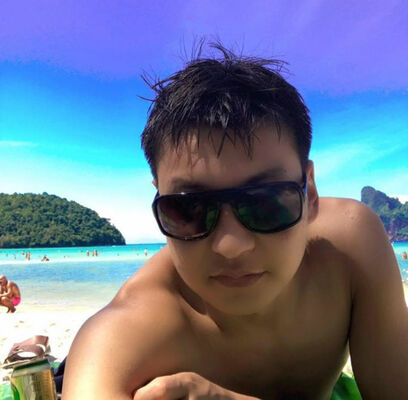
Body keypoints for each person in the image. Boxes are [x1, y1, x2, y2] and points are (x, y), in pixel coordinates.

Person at [62, 44, 408, 399]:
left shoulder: (351, 245)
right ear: (159, 198)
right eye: (190, 208)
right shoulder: (123, 339)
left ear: (311, 193)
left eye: (267, 202)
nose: (231, 245)